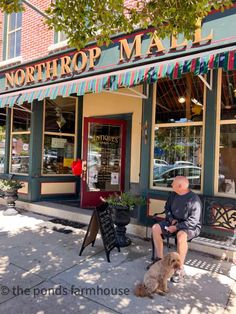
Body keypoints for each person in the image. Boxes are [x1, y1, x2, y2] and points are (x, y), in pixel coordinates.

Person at [150, 176, 202, 283]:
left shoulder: (194, 200)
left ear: (180, 186)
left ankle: (179, 269)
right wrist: (171, 219)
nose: (171, 185)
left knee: (181, 235)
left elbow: (193, 221)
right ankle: (160, 261)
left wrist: (177, 227)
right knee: (155, 228)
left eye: (173, 183)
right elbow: (167, 209)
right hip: (173, 222)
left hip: (189, 226)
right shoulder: (173, 195)